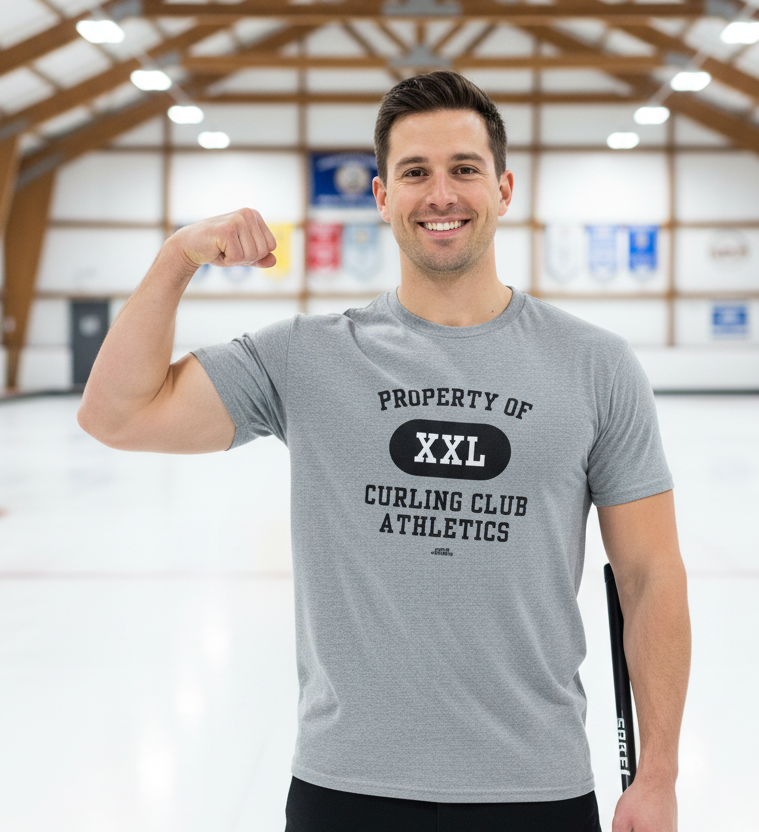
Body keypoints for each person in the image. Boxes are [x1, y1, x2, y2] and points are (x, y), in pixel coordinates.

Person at [78, 71, 691, 832]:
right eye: (415, 173)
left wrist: (657, 773)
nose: (442, 194)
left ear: (503, 189)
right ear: (380, 196)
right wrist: (177, 258)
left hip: (535, 787)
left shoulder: (594, 366)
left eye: (464, 169)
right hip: (346, 789)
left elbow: (649, 576)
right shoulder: (308, 358)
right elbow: (116, 413)